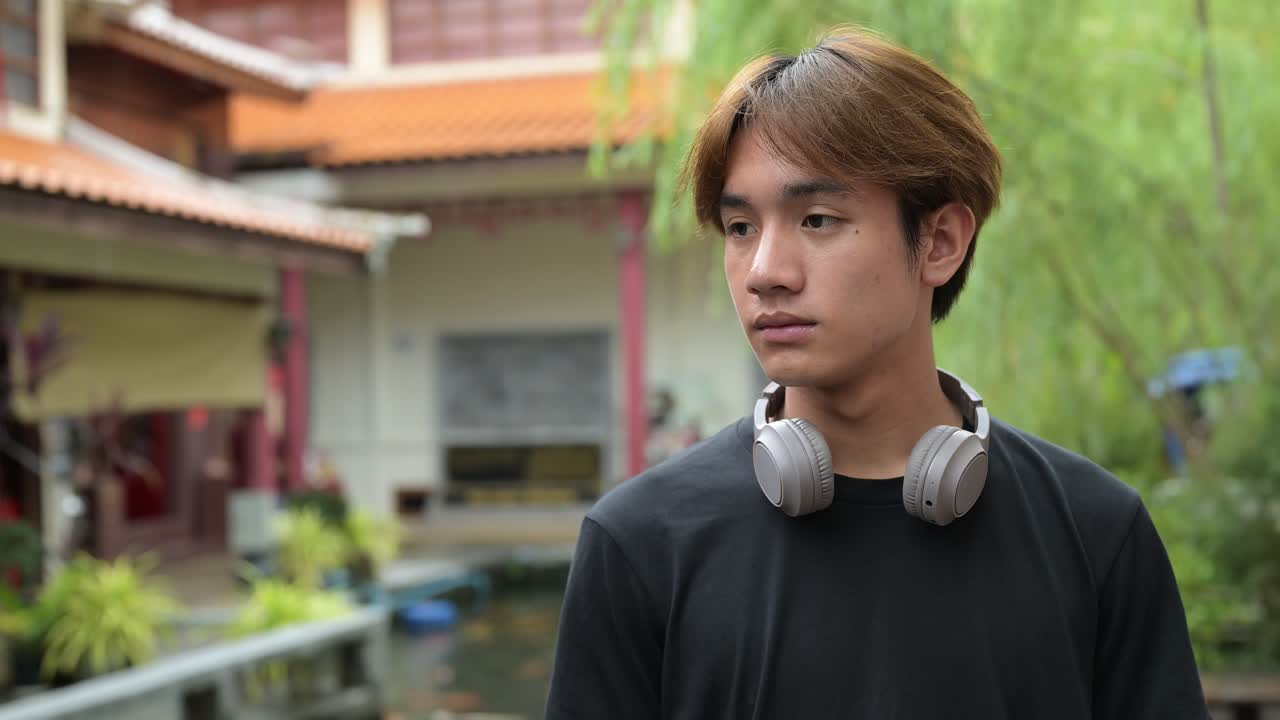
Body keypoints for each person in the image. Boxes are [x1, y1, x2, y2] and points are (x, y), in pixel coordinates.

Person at [544, 25, 1209, 720]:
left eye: (818, 220)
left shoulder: (1096, 533)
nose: (765, 271)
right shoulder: (639, 544)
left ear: (941, 242)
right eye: (741, 228)